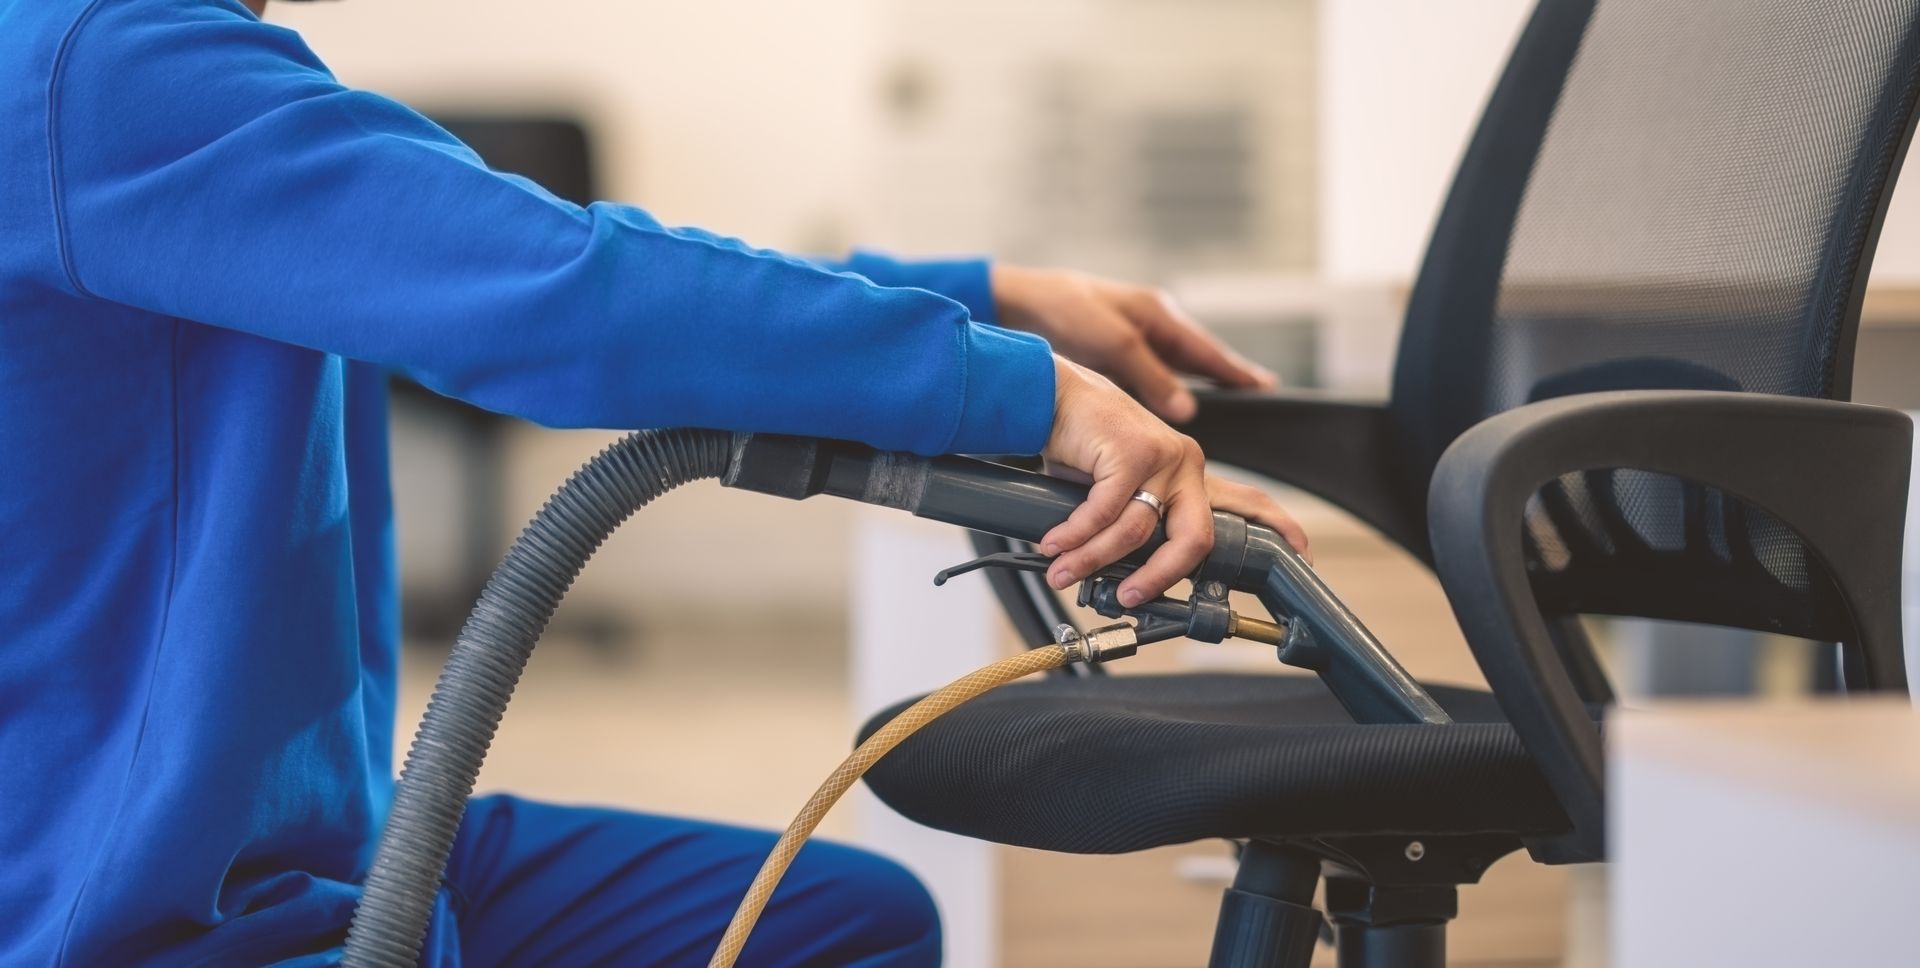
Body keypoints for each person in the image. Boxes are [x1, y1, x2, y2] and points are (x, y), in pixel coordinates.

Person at [0, 0, 1310, 964]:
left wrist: (968, 300)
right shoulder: (97, 60)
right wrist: (1025, 389)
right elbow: (562, 297)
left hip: (299, 828)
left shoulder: (133, 74)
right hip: (128, 900)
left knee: (845, 921)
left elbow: (547, 249)